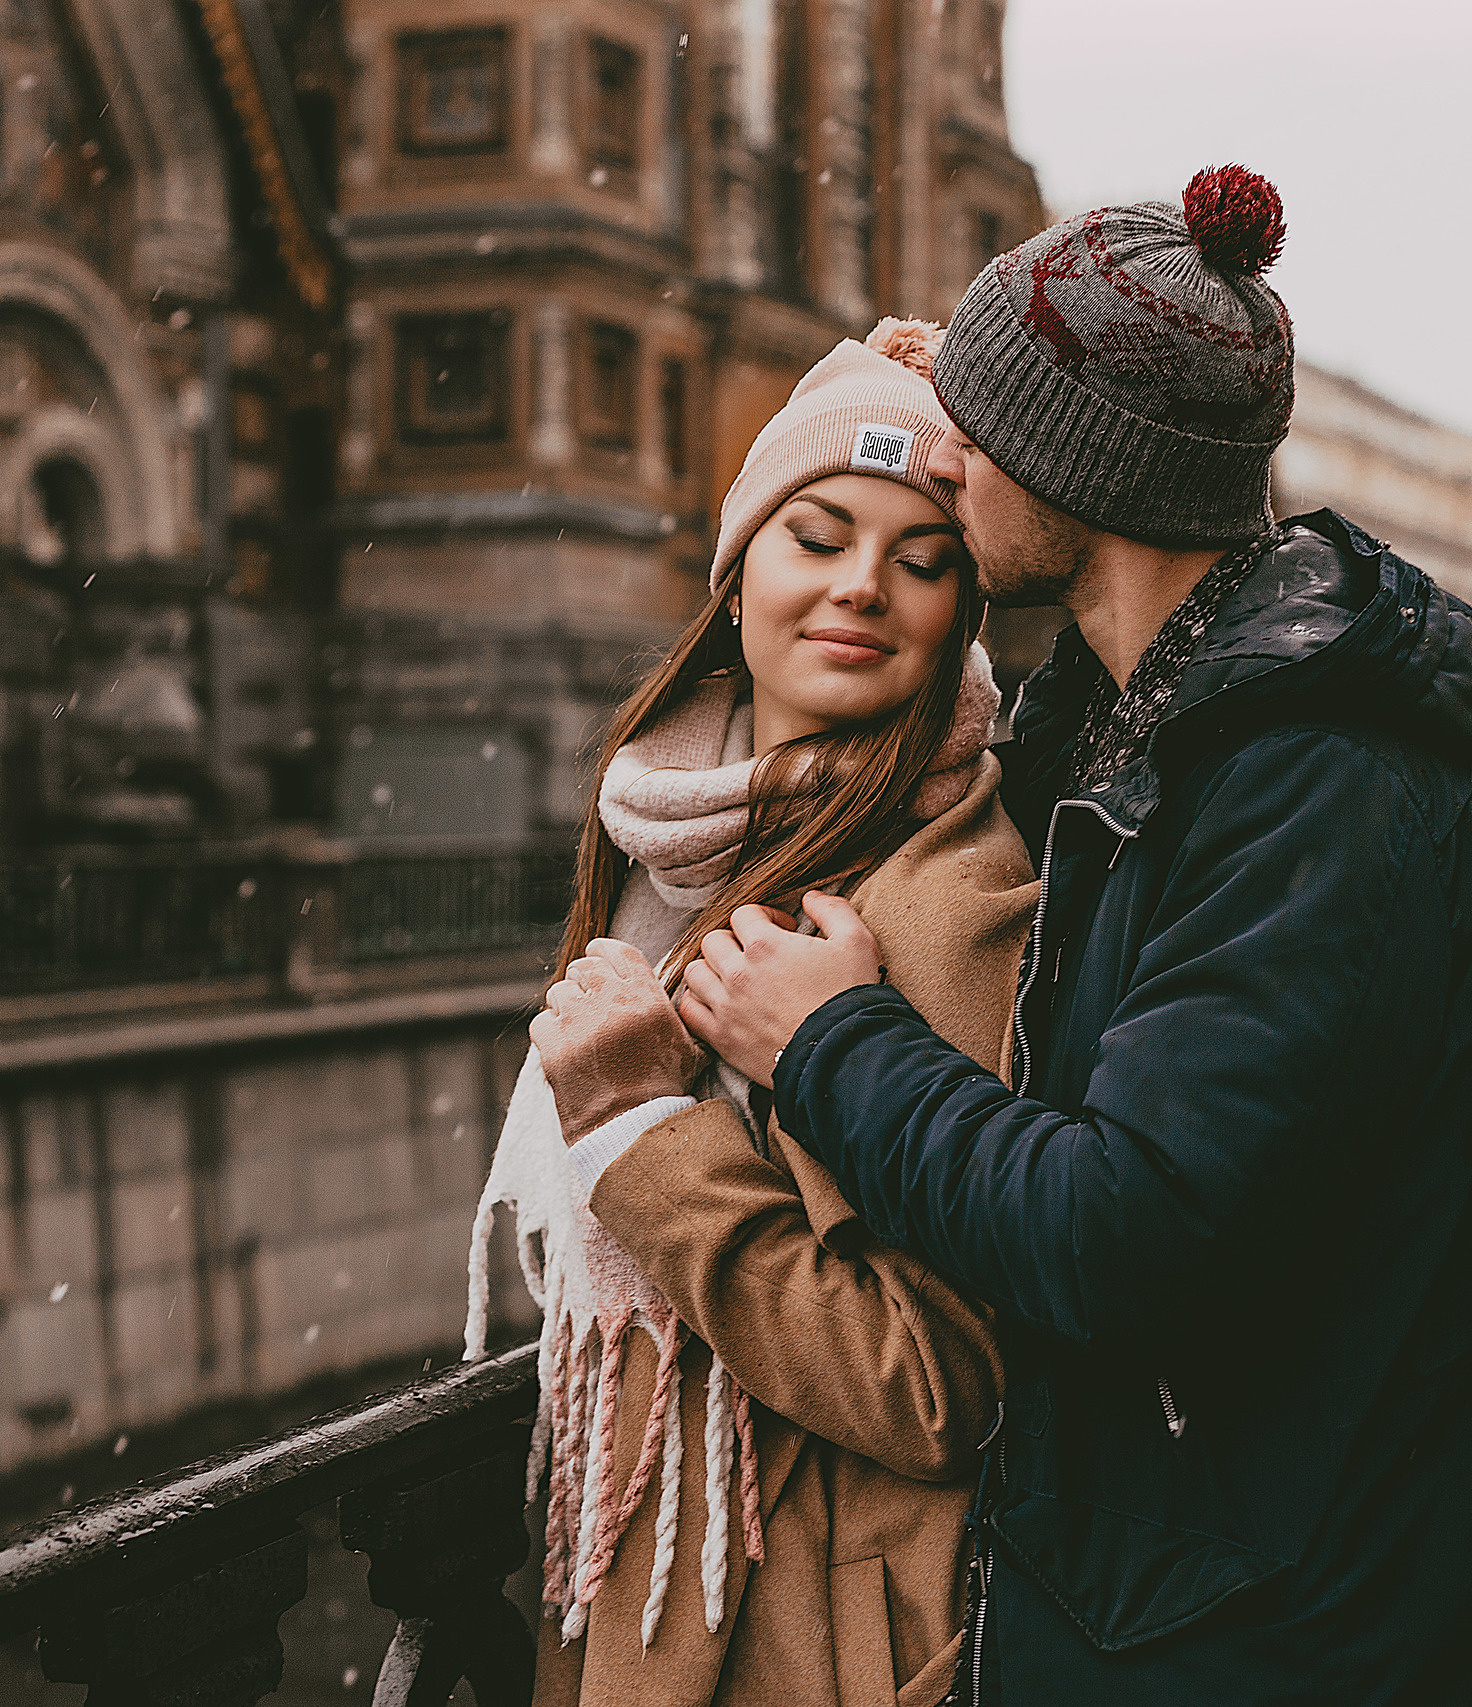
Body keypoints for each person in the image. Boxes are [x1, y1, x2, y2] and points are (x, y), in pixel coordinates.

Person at [656, 168, 1472, 1703]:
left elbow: (1119, 1235)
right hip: (1216, 1588)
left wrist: (827, 1042)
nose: (942, 458)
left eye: (975, 431)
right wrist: (911, 387)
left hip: (1287, 1633)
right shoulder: (1135, 719)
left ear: (1075, 479)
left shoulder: (1314, 782)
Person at [463, 321, 1038, 1707]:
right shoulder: (663, 840)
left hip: (803, 1637)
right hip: (658, 1574)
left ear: (961, 616)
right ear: (735, 580)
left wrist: (649, 1128)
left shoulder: (954, 892)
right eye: (820, 536)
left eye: (923, 563)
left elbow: (935, 1381)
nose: (861, 590)